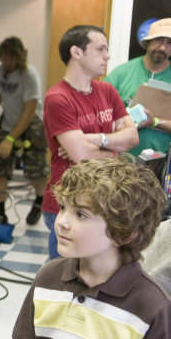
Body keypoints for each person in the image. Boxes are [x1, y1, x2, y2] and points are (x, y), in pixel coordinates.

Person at [7, 156, 171, 339]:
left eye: (81, 214)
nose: (62, 221)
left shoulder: (152, 308)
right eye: (63, 207)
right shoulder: (48, 278)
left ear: (124, 233)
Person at [41, 25, 138, 259]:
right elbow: (84, 156)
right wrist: (115, 148)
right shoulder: (58, 99)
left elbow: (133, 137)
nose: (108, 55)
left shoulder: (107, 91)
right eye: (100, 49)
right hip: (67, 205)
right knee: (64, 283)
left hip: (103, 202)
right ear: (76, 52)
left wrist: (94, 139)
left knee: (94, 280)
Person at [0, 36, 49, 226]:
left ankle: (39, 201)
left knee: (36, 171)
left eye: (10, 58)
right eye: (3, 58)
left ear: (19, 57)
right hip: (9, 124)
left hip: (32, 125)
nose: (6, 62)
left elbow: (29, 110)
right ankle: (0, 213)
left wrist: (10, 139)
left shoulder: (28, 74)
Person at [104, 17, 171, 156]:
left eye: (170, 42)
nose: (162, 47)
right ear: (148, 42)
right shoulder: (122, 72)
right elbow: (98, 111)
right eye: (158, 40)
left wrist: (154, 122)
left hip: (163, 161)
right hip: (121, 160)